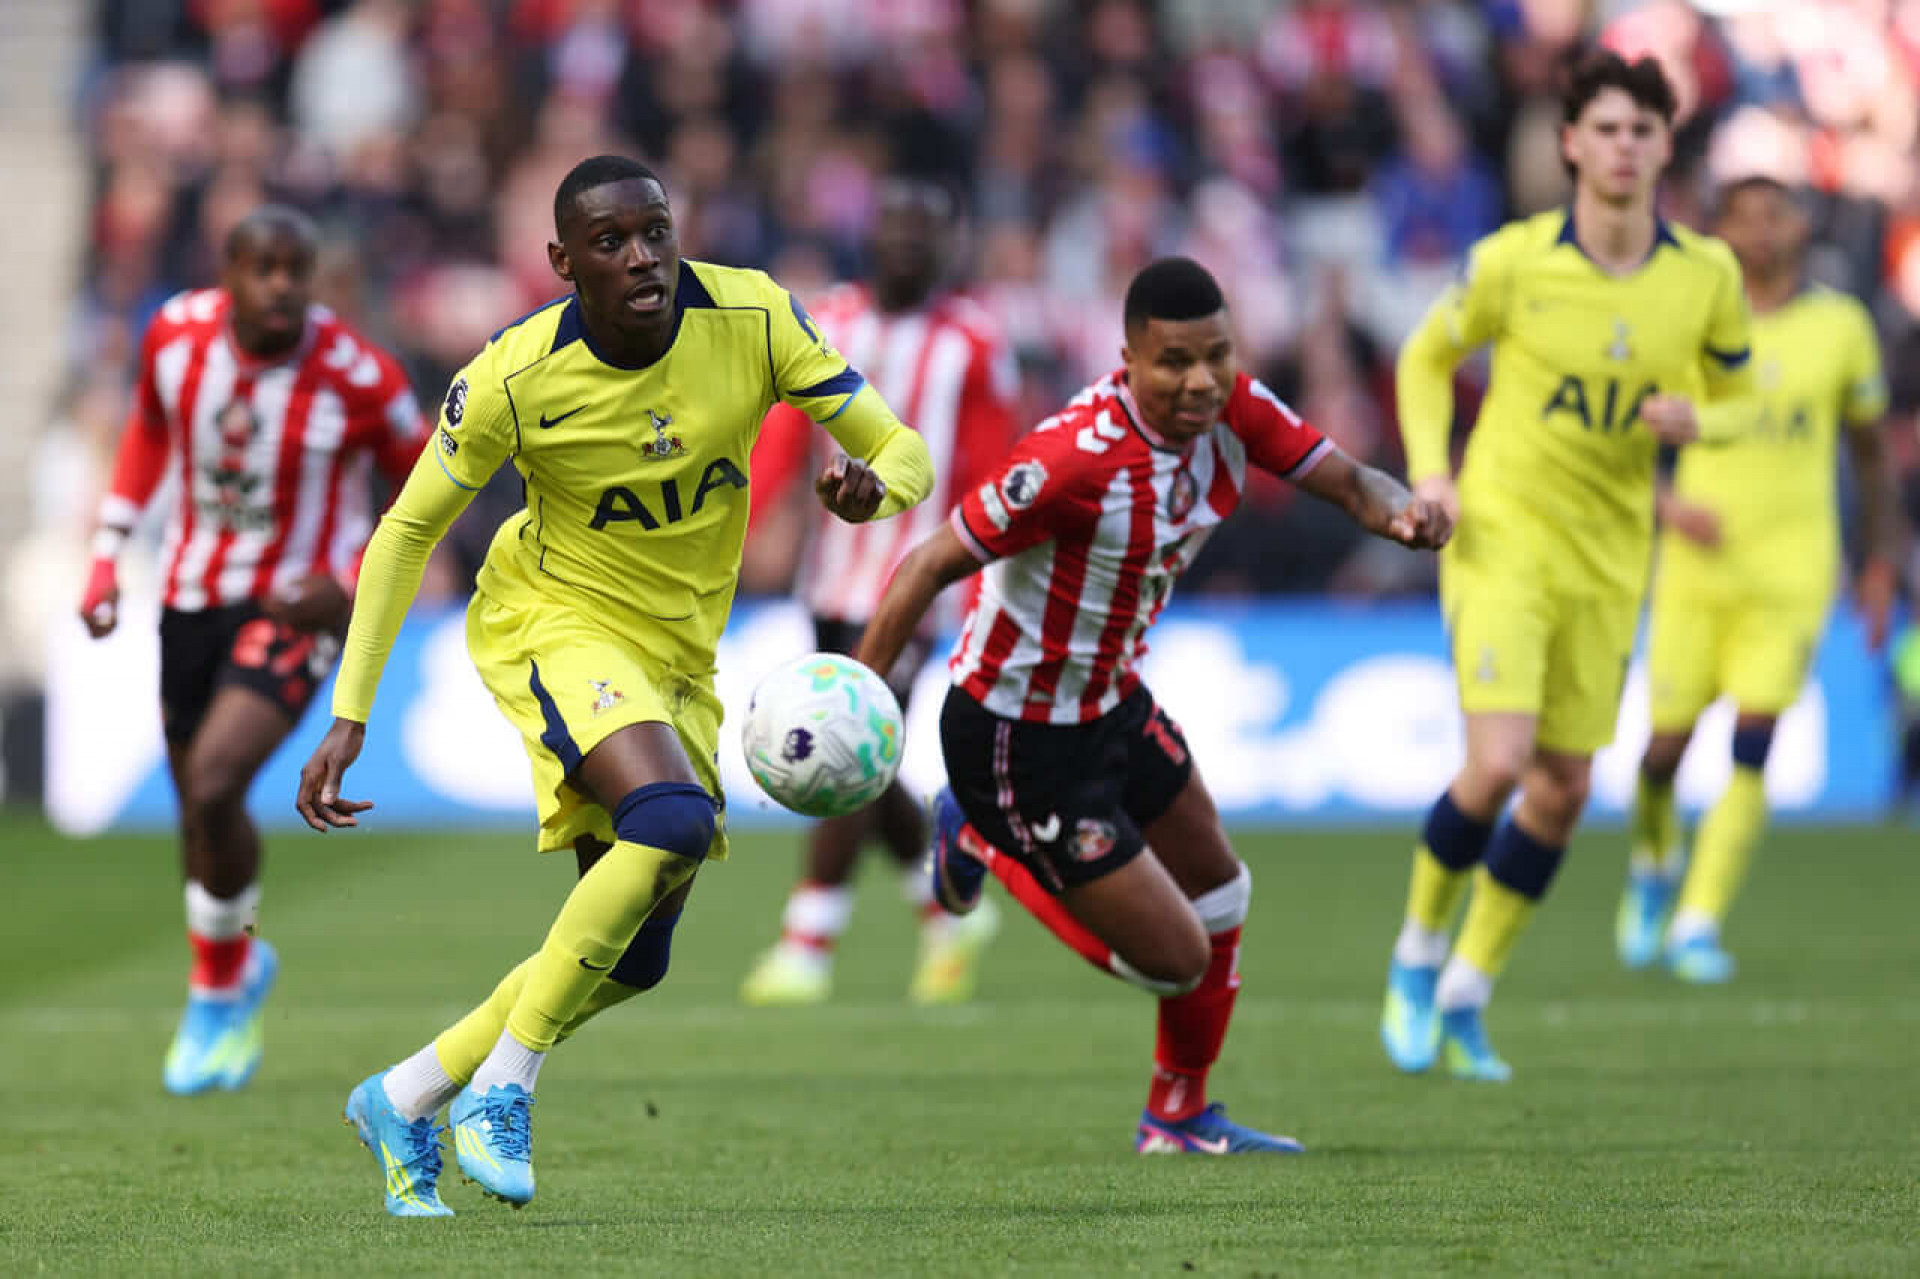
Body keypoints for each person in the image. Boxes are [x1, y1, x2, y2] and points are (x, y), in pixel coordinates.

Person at [295, 155, 932, 1217]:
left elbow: (903, 449)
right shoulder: (511, 376)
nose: (642, 257)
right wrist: (351, 708)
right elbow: (407, 529)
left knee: (634, 956)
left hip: (679, 655)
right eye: (611, 242)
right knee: (672, 815)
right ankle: (503, 1086)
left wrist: (874, 491)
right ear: (562, 262)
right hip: (555, 622)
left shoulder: (757, 317)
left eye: (656, 232)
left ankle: (401, 1094)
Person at [853, 256, 1452, 1155]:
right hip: (1016, 733)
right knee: (1177, 957)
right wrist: (863, 697)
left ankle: (1176, 1117)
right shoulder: (1070, 461)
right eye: (1175, 361)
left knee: (1224, 892)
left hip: (1112, 700)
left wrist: (1409, 514)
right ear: (1127, 357)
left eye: (1216, 355)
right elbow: (930, 563)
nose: (1201, 380)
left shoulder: (1236, 410)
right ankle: (976, 832)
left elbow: (1354, 483)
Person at [1380, 51, 1755, 1082]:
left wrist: (1704, 419)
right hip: (1503, 535)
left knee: (1561, 790)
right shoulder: (1513, 262)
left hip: (1611, 553)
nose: (1626, 146)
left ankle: (1467, 989)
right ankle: (1414, 955)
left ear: (1665, 145)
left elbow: (1741, 394)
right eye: (1609, 128)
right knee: (1498, 763)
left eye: (1644, 129)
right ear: (1571, 145)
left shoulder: (1706, 278)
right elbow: (1424, 356)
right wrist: (1433, 474)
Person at [78, 206, 428, 1097]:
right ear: (226, 272)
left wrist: (347, 585)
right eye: (263, 269)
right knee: (199, 817)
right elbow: (149, 432)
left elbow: (427, 484)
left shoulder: (358, 376)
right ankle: (238, 957)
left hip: (294, 605)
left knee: (215, 780)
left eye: (295, 271)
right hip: (191, 595)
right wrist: (109, 551)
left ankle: (215, 990)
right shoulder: (174, 334)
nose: (281, 287)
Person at [740, 179, 1018, 1008]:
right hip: (831, 574)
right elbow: (786, 432)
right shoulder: (831, 320)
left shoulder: (973, 341)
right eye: (893, 228)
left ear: (946, 243)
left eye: (921, 231)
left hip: (921, 580)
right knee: (867, 757)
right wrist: (744, 527)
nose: (904, 244)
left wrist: (976, 579)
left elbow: (987, 464)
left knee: (841, 734)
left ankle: (806, 941)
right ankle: (949, 912)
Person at [1615, 176, 1901, 982]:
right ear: (1720, 231)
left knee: (1753, 741)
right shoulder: (1693, 322)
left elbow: (1871, 452)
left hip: (1794, 564)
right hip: (1698, 568)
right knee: (1662, 751)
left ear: (1800, 225)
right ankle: (1653, 861)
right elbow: (1616, 431)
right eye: (1741, 217)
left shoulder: (1841, 326)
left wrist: (1881, 558)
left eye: (1773, 214)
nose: (1759, 231)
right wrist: (1666, 505)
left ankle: (1697, 923)